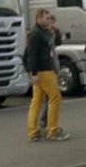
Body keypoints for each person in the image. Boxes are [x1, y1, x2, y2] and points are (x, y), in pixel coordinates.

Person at [26, 9, 69, 142]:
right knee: (55, 97)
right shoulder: (35, 34)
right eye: (47, 18)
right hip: (43, 70)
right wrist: (33, 73)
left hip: (43, 69)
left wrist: (53, 29)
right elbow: (32, 55)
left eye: (50, 18)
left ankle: (33, 131)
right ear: (38, 18)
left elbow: (56, 42)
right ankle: (52, 130)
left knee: (37, 100)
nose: (49, 20)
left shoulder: (43, 32)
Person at [38, 14, 63, 134]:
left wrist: (56, 32)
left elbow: (58, 43)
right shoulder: (43, 35)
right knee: (51, 97)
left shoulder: (52, 34)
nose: (52, 25)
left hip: (53, 66)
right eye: (50, 22)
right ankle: (45, 123)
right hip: (46, 68)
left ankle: (47, 122)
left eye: (53, 22)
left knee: (50, 97)